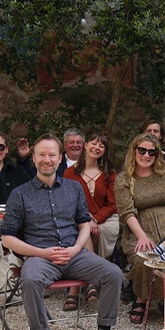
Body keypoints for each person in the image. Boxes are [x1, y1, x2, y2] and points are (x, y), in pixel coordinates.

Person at [0, 134, 130, 330]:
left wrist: (75, 248)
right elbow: (7, 238)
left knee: (113, 273)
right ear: (34, 158)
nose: (46, 160)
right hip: (40, 256)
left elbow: (84, 224)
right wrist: (41, 252)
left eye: (52, 155)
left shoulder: (73, 188)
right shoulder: (20, 194)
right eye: (41, 155)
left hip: (74, 253)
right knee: (29, 280)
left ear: (60, 158)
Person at [116, 133, 165, 324]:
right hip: (138, 227)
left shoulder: (163, 173)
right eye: (142, 150)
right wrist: (142, 236)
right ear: (134, 151)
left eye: (151, 152)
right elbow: (126, 212)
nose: (146, 155)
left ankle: (164, 298)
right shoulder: (124, 178)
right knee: (144, 257)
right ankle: (142, 298)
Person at [62, 133, 121, 310]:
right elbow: (67, 201)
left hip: (106, 219)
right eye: (94, 144)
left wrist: (95, 218)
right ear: (86, 145)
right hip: (78, 219)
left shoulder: (109, 173)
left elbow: (113, 204)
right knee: (84, 231)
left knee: (92, 232)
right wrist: (86, 220)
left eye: (101, 146)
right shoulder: (69, 173)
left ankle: (74, 290)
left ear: (104, 151)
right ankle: (92, 283)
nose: (97, 148)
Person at [16, 128, 84, 178]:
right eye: (71, 142)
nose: (75, 145)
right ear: (65, 145)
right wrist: (24, 159)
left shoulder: (90, 164)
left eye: (78, 142)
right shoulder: (54, 162)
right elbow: (30, 175)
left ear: (84, 145)